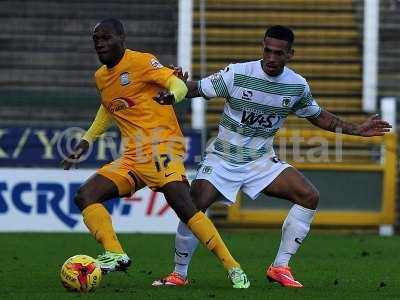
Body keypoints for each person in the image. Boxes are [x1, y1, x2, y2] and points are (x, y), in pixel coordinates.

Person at [152, 25, 392, 288]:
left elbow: (319, 116)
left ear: (290, 54)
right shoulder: (238, 73)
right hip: (222, 158)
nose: (271, 57)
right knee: (193, 207)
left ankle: (280, 267)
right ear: (262, 48)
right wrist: (174, 89)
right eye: (267, 50)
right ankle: (179, 273)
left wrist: (357, 129)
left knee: (308, 196)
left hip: (260, 161)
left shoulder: (296, 86)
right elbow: (197, 88)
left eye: (279, 53)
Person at [61, 18, 250, 289]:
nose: (100, 44)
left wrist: (173, 96)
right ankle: (115, 253)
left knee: (185, 207)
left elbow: (177, 84)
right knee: (86, 195)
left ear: (122, 38)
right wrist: (86, 140)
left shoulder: (141, 62)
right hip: (133, 156)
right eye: (96, 40)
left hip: (161, 146)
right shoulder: (101, 77)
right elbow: (108, 107)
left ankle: (233, 268)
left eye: (106, 38)